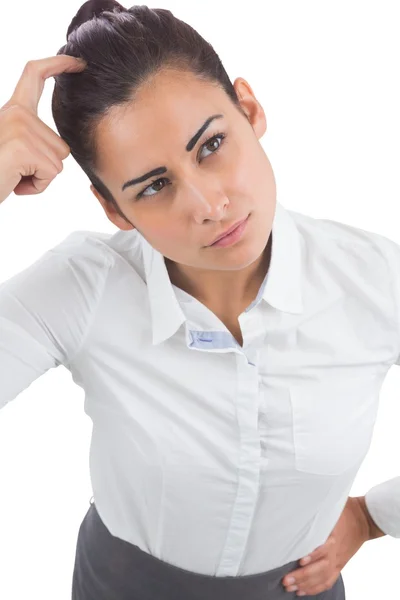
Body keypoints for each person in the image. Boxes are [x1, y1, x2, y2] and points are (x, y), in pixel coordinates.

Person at [0, 1, 399, 598]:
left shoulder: (374, 277)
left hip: (302, 587)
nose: (209, 205)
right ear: (114, 209)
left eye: (211, 145)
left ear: (249, 108)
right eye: (154, 186)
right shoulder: (83, 287)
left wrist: (373, 516)